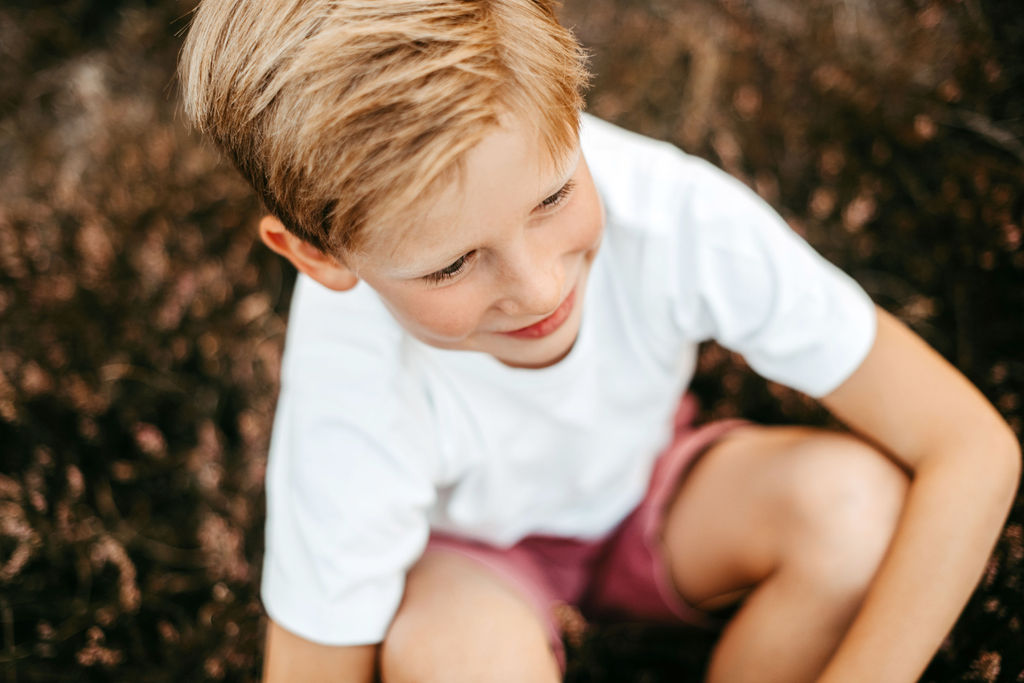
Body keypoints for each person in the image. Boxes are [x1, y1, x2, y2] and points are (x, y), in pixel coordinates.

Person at [178, 1, 1020, 681]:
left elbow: (971, 447)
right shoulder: (351, 378)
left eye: (552, 198)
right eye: (452, 264)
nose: (541, 288)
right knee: (458, 659)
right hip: (469, 568)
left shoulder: (675, 213)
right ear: (319, 256)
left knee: (854, 511)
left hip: (655, 497)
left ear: (570, 110)